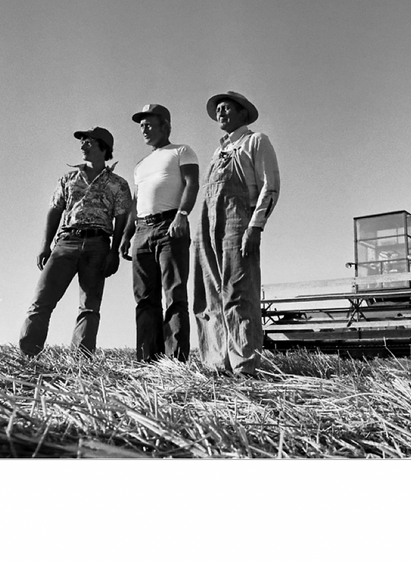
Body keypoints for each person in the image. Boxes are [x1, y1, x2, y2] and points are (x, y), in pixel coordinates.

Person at [18, 127, 131, 357]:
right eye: (82, 142)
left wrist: (114, 251)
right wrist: (45, 245)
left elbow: (122, 218)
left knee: (89, 307)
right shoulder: (67, 179)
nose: (82, 146)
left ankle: (81, 361)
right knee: (42, 300)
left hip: (98, 246)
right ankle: (28, 354)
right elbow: (54, 211)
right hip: (66, 242)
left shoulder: (118, 184)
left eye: (88, 142)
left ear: (103, 148)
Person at [193, 91, 280, 377]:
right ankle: (218, 364)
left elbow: (270, 186)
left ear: (243, 113)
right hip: (208, 225)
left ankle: (245, 366)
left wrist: (255, 226)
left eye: (227, 108)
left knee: (239, 292)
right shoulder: (218, 151)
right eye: (218, 109)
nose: (221, 113)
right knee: (211, 295)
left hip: (238, 222)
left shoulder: (256, 141)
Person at [120, 104, 199, 363]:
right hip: (142, 229)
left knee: (174, 294)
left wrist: (182, 216)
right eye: (141, 125)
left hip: (170, 225)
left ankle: (175, 361)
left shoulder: (181, 151)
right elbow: (135, 202)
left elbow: (191, 184)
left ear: (166, 125)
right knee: (144, 298)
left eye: (149, 124)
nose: (144, 129)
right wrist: (126, 235)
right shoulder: (140, 165)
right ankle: (147, 359)